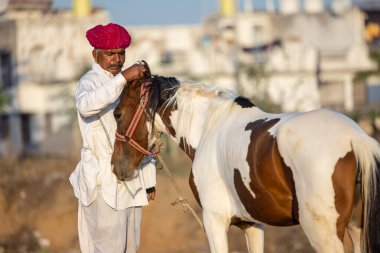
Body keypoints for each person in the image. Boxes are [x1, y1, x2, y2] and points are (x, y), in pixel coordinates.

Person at [69, 23, 156, 253]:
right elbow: (85, 106)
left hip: (131, 180)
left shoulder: (129, 85)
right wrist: (123, 79)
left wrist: (148, 179)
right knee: (108, 248)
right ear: (95, 55)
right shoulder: (90, 82)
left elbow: (139, 133)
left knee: (130, 247)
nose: (117, 59)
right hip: (101, 181)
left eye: (121, 53)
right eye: (110, 54)